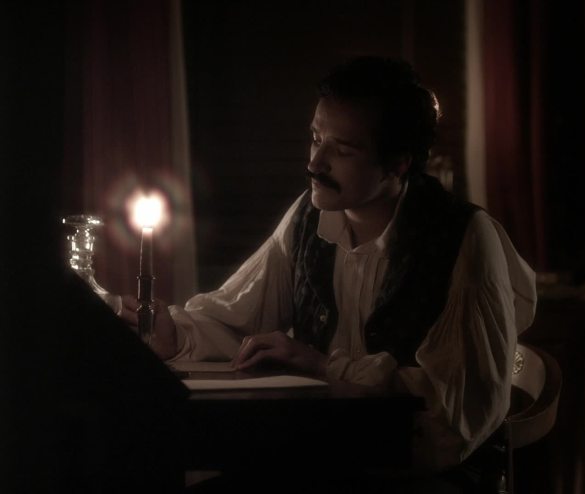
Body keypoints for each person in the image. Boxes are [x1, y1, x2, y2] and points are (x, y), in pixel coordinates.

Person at [120, 55, 536, 478]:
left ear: (398, 162)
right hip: (319, 455)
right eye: (316, 139)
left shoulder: (462, 236)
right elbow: (239, 319)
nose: (315, 163)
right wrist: (176, 335)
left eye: (342, 149)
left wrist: (323, 367)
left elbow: (455, 413)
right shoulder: (308, 217)